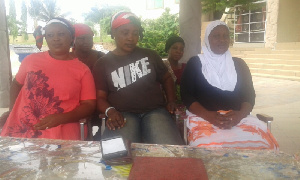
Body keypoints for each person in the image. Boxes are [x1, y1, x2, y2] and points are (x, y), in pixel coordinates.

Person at [180, 20, 278, 150]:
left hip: (239, 120)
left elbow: (249, 95)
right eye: (216, 36)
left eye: (226, 36)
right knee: (207, 149)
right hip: (204, 119)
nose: (222, 40)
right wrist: (210, 116)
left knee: (261, 146)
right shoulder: (196, 63)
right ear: (207, 39)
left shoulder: (239, 64)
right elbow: (187, 96)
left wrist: (239, 115)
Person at [93, 12, 184, 145]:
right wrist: (110, 111)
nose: (131, 38)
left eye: (135, 33)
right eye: (125, 32)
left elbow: (166, 78)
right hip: (122, 114)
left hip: (155, 111)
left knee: (170, 150)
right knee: (118, 156)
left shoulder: (150, 55)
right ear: (113, 32)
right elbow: (100, 98)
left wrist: (171, 100)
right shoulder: (102, 64)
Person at [0, 17, 96, 140]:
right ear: (46, 39)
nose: (56, 38)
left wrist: (61, 118)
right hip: (23, 128)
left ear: (72, 38)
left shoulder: (82, 70)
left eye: (61, 34)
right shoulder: (31, 60)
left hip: (62, 130)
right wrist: (12, 111)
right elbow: (16, 84)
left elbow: (89, 105)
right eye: (50, 35)